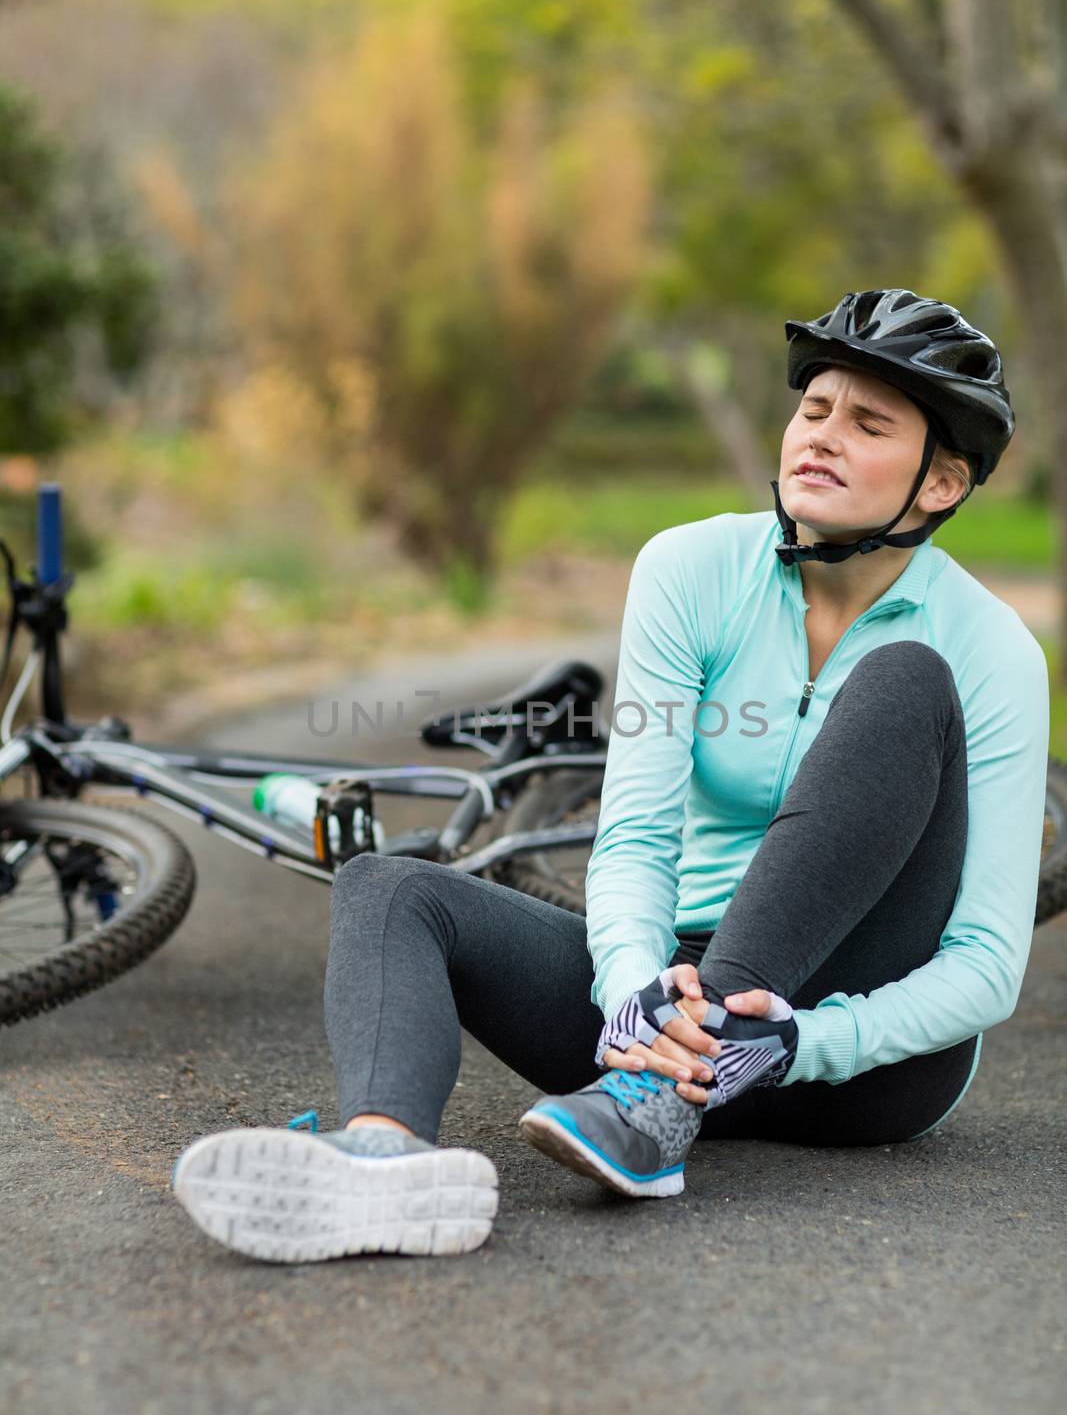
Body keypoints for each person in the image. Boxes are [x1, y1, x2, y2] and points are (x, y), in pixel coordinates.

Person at [172, 288, 1049, 1261]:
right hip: (663, 995)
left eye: (868, 422)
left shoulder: (988, 650)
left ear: (938, 483)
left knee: (902, 683)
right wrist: (633, 988)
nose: (822, 435)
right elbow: (632, 832)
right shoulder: (688, 569)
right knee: (388, 889)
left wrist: (803, 1038)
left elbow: (982, 963)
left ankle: (650, 1098)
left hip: (847, 1059)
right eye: (812, 409)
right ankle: (382, 1162)